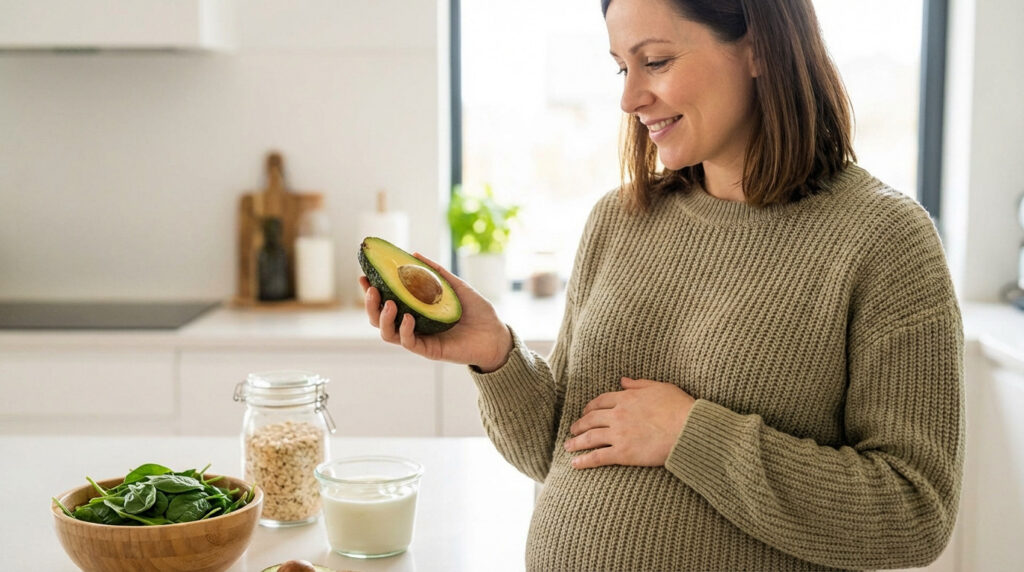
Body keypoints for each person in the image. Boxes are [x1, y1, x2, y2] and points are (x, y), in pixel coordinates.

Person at [359, 0, 965, 569]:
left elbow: (915, 511)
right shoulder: (619, 219)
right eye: (621, 67)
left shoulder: (884, 239)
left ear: (759, 48)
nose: (628, 97)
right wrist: (495, 355)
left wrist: (688, 432)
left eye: (655, 62)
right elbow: (557, 452)